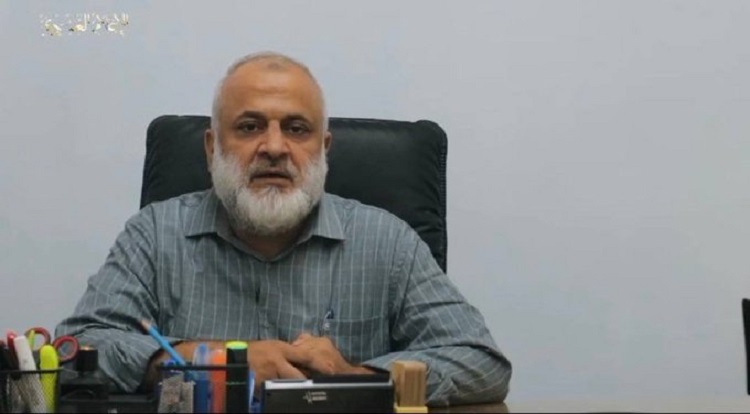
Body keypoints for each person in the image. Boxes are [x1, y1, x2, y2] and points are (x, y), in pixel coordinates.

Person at [55, 51, 512, 406]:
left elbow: (481, 361)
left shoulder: (388, 241)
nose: (274, 147)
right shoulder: (154, 234)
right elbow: (76, 349)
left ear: (324, 148)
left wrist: (356, 377)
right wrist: (219, 362)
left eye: (296, 129)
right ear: (212, 148)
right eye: (249, 126)